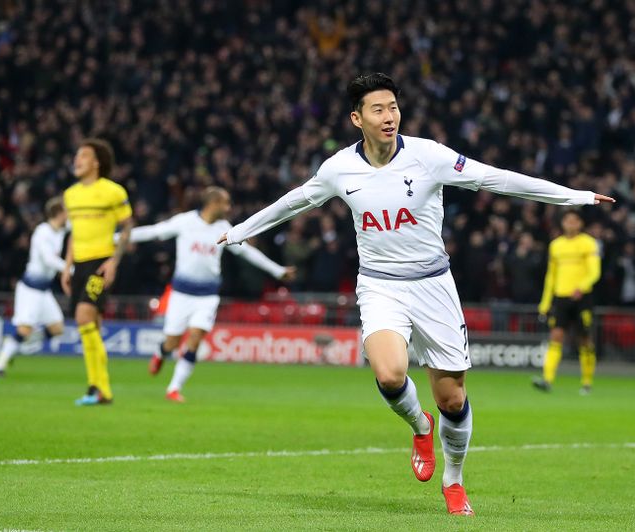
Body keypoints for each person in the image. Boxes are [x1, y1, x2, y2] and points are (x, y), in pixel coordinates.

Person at [218, 73, 614, 516]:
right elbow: (294, 202)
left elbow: (496, 179)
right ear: (357, 118)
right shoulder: (338, 169)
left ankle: (454, 480)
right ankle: (419, 425)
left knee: (453, 398)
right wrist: (239, 231)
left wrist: (573, 197)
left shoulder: (430, 157)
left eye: (393, 107)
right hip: (380, 285)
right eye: (378, 109)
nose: (389, 117)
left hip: (433, 285)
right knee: (389, 375)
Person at [128, 187, 295, 402]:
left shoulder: (224, 228)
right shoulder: (185, 222)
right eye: (225, 203)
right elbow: (153, 231)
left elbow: (248, 252)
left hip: (207, 296)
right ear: (213, 203)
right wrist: (116, 237)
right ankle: (161, 353)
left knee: (195, 339)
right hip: (181, 294)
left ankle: (174, 388)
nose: (228, 208)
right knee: (172, 342)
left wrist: (277, 270)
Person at [60, 138, 134, 406]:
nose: (76, 160)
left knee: (83, 317)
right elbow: (73, 234)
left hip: (101, 263)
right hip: (79, 265)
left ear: (96, 162)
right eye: (76, 156)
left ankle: (96, 388)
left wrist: (114, 261)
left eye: (83, 156)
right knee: (92, 327)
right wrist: (67, 266)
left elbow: (126, 228)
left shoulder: (113, 192)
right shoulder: (70, 195)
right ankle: (103, 390)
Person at [0, 198, 68, 377]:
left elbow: (81, 227)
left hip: (44, 290)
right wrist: (69, 269)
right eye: (67, 211)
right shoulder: (43, 232)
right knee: (24, 329)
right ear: (59, 213)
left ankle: (14, 345)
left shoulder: (61, 230)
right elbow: (48, 259)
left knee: (57, 328)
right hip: (30, 289)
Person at [532, 210, 601, 394]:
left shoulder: (588, 243)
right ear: (563, 223)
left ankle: (587, 382)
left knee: (585, 340)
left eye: (574, 220)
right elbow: (551, 276)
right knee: (556, 337)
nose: (570, 224)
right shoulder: (556, 245)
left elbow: (594, 271)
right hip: (561, 298)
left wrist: (582, 286)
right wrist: (545, 303)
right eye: (567, 220)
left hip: (582, 297)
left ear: (580, 223)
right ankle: (547, 380)